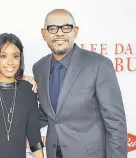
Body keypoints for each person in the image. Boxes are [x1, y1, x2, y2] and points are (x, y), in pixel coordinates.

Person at [32, 9, 127, 158]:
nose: (59, 33)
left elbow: (116, 124)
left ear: (75, 32)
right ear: (44, 34)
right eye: (52, 28)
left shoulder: (99, 65)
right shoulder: (39, 68)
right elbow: (47, 115)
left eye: (66, 27)